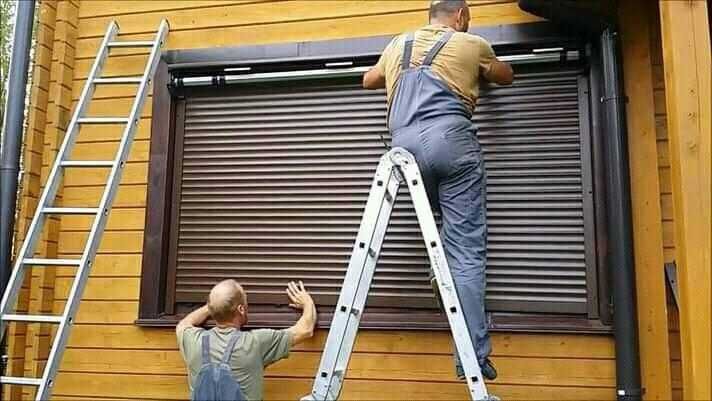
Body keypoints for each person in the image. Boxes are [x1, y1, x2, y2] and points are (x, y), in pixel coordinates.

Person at [362, 0, 514, 380]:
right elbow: (505, 75)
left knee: (441, 221)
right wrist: (483, 67)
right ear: (460, 16)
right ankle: (472, 357)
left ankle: (439, 265)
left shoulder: (398, 44)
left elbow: (368, 79)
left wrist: (397, 72)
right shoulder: (471, 43)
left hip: (403, 149)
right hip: (450, 139)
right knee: (466, 249)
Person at [176, 279, 317, 400]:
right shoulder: (255, 343)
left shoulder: (193, 341)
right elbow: (305, 329)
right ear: (241, 309)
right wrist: (307, 302)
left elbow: (183, 324)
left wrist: (214, 306)